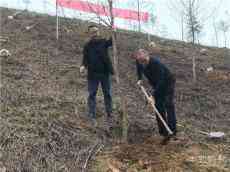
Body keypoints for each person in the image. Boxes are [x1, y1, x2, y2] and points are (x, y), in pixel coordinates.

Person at [132, 45, 177, 142]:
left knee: (168, 104)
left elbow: (161, 81)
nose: (142, 64)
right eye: (140, 62)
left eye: (144, 61)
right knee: (158, 107)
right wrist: (139, 78)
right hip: (156, 84)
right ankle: (164, 132)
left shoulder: (156, 64)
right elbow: (138, 69)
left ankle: (173, 130)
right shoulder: (139, 61)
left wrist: (152, 96)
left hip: (167, 82)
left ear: (147, 56)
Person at [80, 25, 114, 125]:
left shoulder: (103, 42)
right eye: (92, 32)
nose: (94, 33)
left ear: (98, 32)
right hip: (92, 75)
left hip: (104, 74)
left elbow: (112, 42)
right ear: (90, 34)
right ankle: (92, 115)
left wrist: (113, 32)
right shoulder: (87, 45)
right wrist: (83, 66)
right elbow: (85, 58)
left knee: (107, 94)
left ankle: (109, 114)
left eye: (96, 31)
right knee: (92, 94)